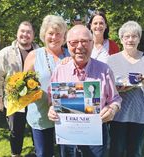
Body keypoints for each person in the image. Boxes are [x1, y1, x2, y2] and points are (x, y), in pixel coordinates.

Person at [48, 25, 122, 157]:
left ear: (92, 43)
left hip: (95, 134)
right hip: (67, 135)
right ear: (67, 44)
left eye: (85, 41)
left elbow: (115, 99)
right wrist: (51, 109)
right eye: (74, 42)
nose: (80, 47)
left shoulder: (104, 70)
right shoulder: (60, 70)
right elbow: (51, 99)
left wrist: (112, 109)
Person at [106, 21, 144, 157]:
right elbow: (107, 87)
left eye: (134, 36)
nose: (130, 39)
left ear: (139, 38)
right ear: (121, 39)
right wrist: (119, 89)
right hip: (118, 112)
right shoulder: (111, 60)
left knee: (135, 152)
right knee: (116, 151)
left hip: (140, 112)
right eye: (127, 36)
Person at [0, 21, 39, 157]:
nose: (25, 34)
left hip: (35, 100)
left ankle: (39, 152)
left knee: (37, 128)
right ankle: (15, 154)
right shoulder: (4, 53)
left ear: (33, 35)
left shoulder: (39, 52)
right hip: (14, 101)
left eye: (29, 32)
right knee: (16, 132)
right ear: (17, 33)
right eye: (22, 31)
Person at [23, 15, 70, 157]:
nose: (54, 37)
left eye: (58, 34)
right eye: (50, 33)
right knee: (44, 153)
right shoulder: (33, 56)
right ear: (44, 34)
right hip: (40, 115)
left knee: (67, 153)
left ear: (64, 37)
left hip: (67, 116)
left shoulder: (71, 55)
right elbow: (23, 86)